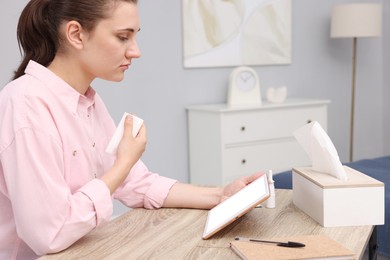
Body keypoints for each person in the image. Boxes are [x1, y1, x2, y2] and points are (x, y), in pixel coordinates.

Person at [0, 0, 262, 259]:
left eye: (134, 37)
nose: (135, 51)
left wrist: (221, 195)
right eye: (123, 37)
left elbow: (137, 183)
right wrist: (124, 163)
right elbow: (50, 234)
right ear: (76, 34)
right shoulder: (26, 105)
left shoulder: (87, 101)